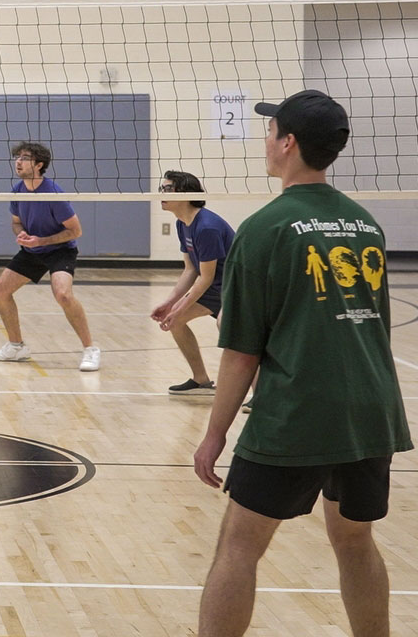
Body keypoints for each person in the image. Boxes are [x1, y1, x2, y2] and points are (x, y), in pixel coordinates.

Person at [193, 90, 410, 637]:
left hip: (297, 412)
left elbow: (241, 352)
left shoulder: (263, 229)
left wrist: (214, 434)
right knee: (355, 541)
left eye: (271, 132)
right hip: (372, 412)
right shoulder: (365, 224)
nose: (265, 141)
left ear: (287, 143)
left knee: (238, 546)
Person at [0, 142, 100, 371]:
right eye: (17, 157)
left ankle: (90, 349)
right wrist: (22, 235)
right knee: (0, 290)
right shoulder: (18, 190)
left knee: (63, 295)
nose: (18, 161)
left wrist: (42, 241)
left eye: (25, 158)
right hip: (32, 250)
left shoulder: (53, 194)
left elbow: (75, 231)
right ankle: (16, 346)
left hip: (60, 250)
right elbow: (16, 222)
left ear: (39, 165)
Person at [152, 169, 235, 395]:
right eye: (162, 188)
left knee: (226, 327)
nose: (162, 193)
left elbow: (205, 278)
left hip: (236, 286)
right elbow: (191, 270)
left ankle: (261, 394)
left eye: (168, 189)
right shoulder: (183, 223)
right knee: (175, 322)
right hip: (215, 285)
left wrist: (179, 308)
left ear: (186, 194)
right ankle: (201, 381)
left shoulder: (206, 227)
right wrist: (170, 304)